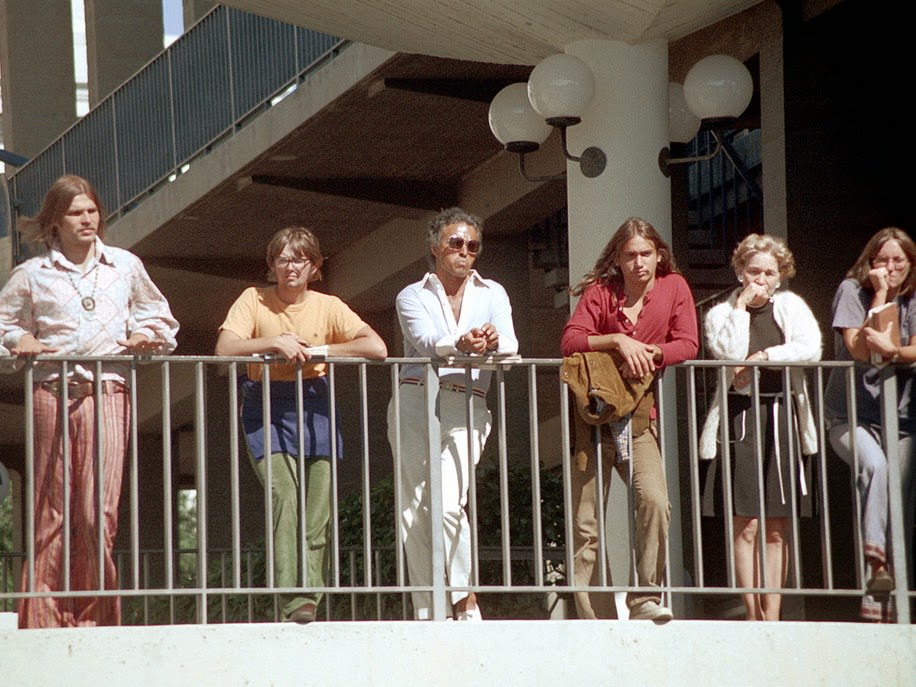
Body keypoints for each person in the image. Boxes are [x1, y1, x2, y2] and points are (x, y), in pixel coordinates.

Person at [0, 174, 179, 628]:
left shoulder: (125, 265)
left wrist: (144, 335)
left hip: (108, 392)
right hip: (51, 392)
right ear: (55, 222)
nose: (87, 219)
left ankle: (95, 616)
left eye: (92, 210)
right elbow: (3, 325)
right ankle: (43, 618)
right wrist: (21, 337)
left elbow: (160, 318)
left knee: (98, 510)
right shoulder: (31, 274)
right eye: (76, 212)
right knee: (51, 508)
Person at [215, 226, 387, 624]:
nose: (290, 267)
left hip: (315, 404)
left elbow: (375, 347)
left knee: (317, 511)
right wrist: (273, 344)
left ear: (315, 266)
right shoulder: (253, 299)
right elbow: (226, 347)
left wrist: (317, 350)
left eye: (299, 259)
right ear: (271, 264)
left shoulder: (329, 305)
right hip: (266, 406)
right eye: (282, 258)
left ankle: (311, 596)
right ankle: (294, 599)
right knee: (283, 497)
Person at [561, 216, 698, 621]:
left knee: (655, 501)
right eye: (629, 255)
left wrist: (652, 353)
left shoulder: (674, 288)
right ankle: (590, 613)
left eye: (646, 254)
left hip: (639, 418)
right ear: (618, 260)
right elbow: (570, 340)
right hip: (594, 418)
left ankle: (644, 598)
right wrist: (620, 340)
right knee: (586, 520)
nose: (639, 262)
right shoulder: (601, 293)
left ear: (659, 256)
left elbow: (688, 343)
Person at [386, 207, 518, 621]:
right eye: (455, 244)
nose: (464, 252)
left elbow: (511, 347)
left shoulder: (492, 292)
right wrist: (461, 342)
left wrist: (492, 342)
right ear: (435, 248)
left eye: (472, 246)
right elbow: (425, 340)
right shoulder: (412, 294)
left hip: (468, 401)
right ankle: (428, 608)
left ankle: (464, 597)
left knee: (445, 503)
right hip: (414, 398)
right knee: (413, 508)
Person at [699, 233, 822, 621]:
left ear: (780, 275)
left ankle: (773, 610)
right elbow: (729, 355)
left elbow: (810, 347)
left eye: (770, 272)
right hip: (741, 420)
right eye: (753, 271)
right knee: (746, 523)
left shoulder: (790, 306)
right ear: (740, 273)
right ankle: (752, 612)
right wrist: (740, 309)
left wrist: (763, 356)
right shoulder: (721, 314)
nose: (761, 279)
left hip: (782, 415)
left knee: (777, 526)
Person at [824, 227, 915, 623]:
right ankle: (875, 561)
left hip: (904, 419)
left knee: (900, 505)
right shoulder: (851, 290)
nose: (890, 268)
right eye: (883, 260)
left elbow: (905, 350)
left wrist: (896, 351)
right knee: (875, 468)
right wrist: (879, 297)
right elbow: (859, 348)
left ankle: (892, 607)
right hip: (851, 416)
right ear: (870, 261)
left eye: (899, 261)